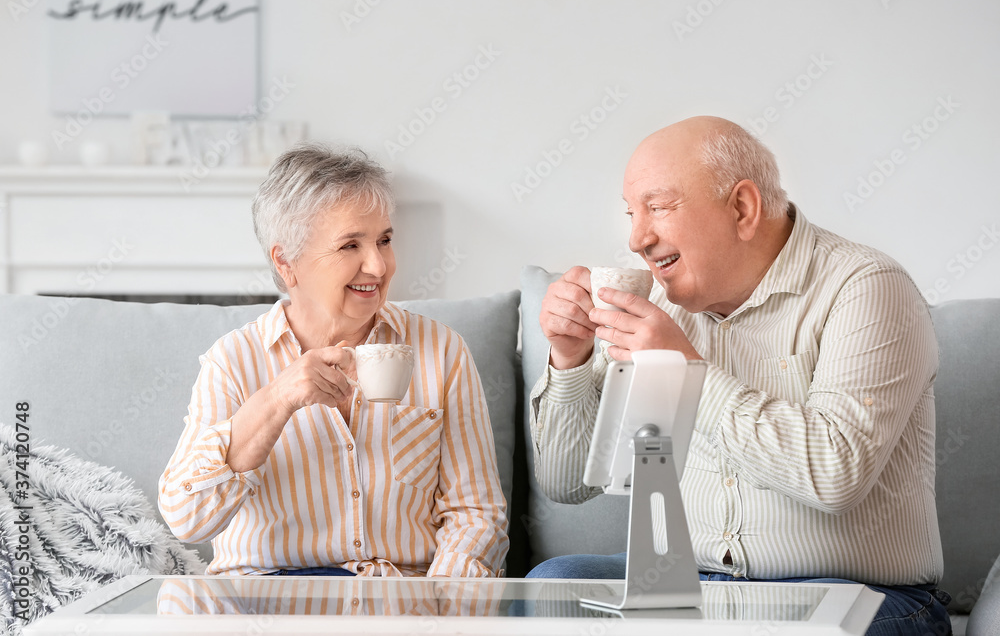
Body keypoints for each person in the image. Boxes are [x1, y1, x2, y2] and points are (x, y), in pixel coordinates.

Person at [527, 116, 950, 635]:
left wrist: (687, 372)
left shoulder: (866, 287)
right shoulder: (661, 308)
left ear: (742, 208)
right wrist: (569, 360)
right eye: (632, 213)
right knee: (555, 585)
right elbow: (566, 486)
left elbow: (836, 474)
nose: (637, 237)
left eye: (658, 207)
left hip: (857, 593)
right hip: (693, 582)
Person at [158, 144, 508, 578]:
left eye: (384, 240)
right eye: (350, 246)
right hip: (270, 605)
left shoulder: (441, 350)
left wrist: (436, 609)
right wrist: (279, 398)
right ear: (287, 262)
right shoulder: (232, 361)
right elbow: (187, 520)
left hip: (399, 605)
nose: (378, 266)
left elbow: (476, 515)